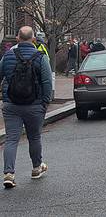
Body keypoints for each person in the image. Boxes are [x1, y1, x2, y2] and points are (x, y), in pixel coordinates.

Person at [1, 26, 52, 188]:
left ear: (17, 38)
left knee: (11, 139)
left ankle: (9, 173)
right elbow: (46, 83)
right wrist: (45, 102)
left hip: (11, 104)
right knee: (34, 137)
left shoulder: (7, 56)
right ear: (33, 39)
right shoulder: (40, 57)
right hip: (34, 105)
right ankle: (37, 168)